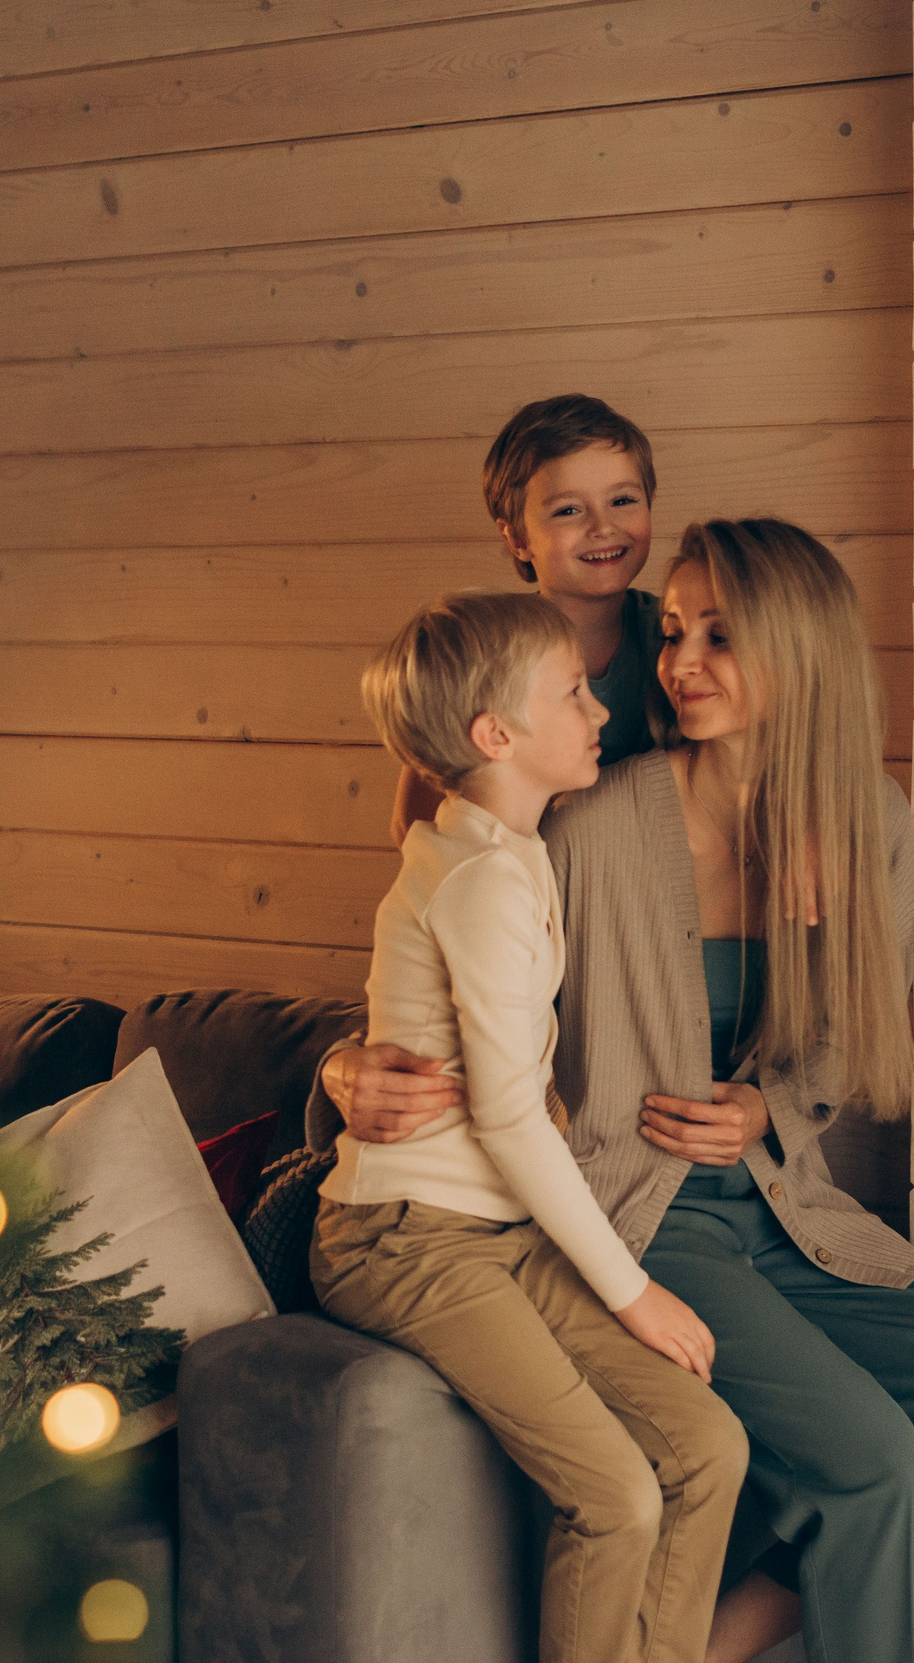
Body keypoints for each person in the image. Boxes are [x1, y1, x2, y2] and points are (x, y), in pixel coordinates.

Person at [319, 521, 914, 1663]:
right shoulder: (590, 815)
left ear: (801, 649)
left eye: (719, 634)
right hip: (637, 1213)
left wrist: (771, 1105)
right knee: (871, 1463)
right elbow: (438, 944)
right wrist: (340, 1064)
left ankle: (711, 1643)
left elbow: (840, 1048)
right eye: (672, 631)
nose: (680, 662)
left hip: (785, 1207)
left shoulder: (867, 816)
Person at [316, 589, 749, 1663]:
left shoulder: (505, 851)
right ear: (493, 735)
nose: (600, 704)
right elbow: (510, 1119)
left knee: (708, 1444)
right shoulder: (480, 881)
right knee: (616, 1495)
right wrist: (632, 1291)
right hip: (407, 1236)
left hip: (495, 1231)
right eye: (572, 692)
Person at [391, 393, 671, 842]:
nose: (602, 526)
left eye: (623, 501)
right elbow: (416, 823)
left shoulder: (679, 635)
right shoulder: (486, 650)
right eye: (568, 510)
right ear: (517, 537)